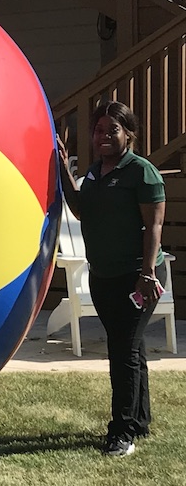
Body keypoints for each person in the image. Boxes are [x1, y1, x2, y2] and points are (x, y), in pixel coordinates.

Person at [58, 100, 166, 458]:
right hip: (102, 276)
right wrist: (62, 168)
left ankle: (122, 432)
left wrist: (147, 273)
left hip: (137, 279)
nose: (104, 136)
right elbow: (79, 207)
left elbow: (154, 225)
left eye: (112, 130)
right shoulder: (93, 173)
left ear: (128, 134)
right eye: (99, 130)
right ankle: (140, 420)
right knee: (130, 349)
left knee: (121, 353)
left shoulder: (141, 171)